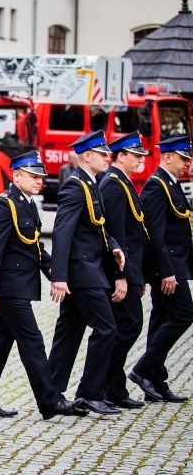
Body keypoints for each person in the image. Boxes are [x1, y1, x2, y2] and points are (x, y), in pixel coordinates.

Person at [0, 151, 81, 420]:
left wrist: (53, 270)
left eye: (41, 177)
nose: (39, 181)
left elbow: (34, 245)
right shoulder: (4, 205)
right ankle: (49, 401)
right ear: (16, 176)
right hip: (10, 288)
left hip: (21, 285)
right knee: (32, 341)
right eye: (33, 176)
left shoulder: (28, 204)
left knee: (0, 340)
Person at [48, 130, 125, 415]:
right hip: (82, 272)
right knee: (106, 328)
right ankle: (91, 392)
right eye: (102, 154)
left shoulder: (90, 184)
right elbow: (62, 231)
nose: (108, 158)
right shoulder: (75, 186)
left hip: (88, 269)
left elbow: (98, 226)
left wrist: (113, 246)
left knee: (69, 331)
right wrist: (59, 276)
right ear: (87, 156)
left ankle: (51, 394)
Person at [130, 135, 193, 403]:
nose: (187, 164)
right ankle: (143, 369)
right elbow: (154, 234)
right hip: (167, 267)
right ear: (167, 157)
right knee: (184, 314)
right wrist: (166, 271)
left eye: (189, 159)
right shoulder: (158, 186)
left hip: (175, 265)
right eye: (183, 158)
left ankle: (155, 380)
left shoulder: (171, 184)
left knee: (161, 318)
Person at [98, 131, 150, 409]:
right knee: (129, 325)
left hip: (130, 271)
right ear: (121, 156)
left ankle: (114, 387)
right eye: (136, 156)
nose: (141, 160)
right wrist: (122, 277)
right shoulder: (113, 185)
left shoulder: (123, 183)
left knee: (127, 326)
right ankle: (105, 385)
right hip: (119, 272)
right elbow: (115, 236)